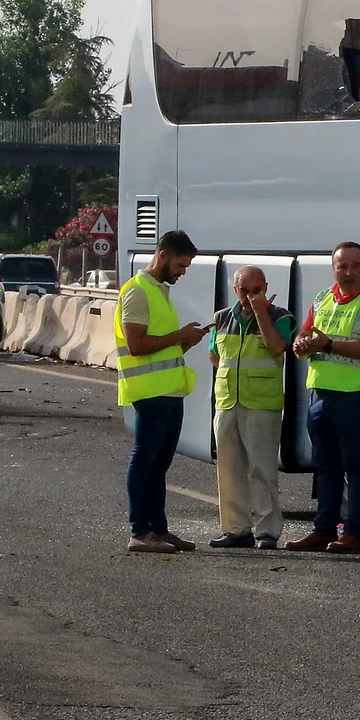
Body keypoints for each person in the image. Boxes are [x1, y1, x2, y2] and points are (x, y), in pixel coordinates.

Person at [285, 241, 360, 554]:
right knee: (325, 466)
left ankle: (354, 534)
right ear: (334, 268)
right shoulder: (323, 298)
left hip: (356, 394)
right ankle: (323, 531)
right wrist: (301, 345)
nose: (348, 272)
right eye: (342, 266)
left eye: (355, 266)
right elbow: (304, 335)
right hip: (321, 394)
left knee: (356, 465)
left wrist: (326, 345)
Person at [115, 230, 210, 554]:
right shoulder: (138, 292)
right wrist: (178, 335)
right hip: (150, 392)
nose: (183, 272)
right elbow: (137, 344)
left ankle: (158, 529)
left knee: (159, 464)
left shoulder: (159, 291)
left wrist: (186, 339)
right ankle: (140, 531)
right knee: (146, 461)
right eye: (181, 265)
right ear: (163, 255)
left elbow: (162, 345)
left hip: (169, 391)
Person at [207, 266, 295, 549]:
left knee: (262, 470)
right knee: (229, 469)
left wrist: (260, 313)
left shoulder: (280, 317)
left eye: (256, 291)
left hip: (262, 404)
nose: (250, 297)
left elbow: (276, 347)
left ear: (266, 288)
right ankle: (236, 529)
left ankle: (267, 530)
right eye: (245, 291)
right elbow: (214, 354)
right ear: (235, 290)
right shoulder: (222, 318)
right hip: (227, 402)